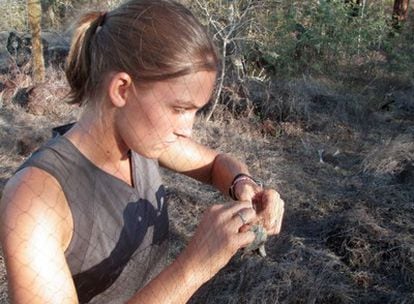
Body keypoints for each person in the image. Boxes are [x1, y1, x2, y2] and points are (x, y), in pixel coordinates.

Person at [0, 0, 285, 303]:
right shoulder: (35, 199)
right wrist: (194, 267)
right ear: (122, 89)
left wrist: (244, 185)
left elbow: (216, 164)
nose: (187, 130)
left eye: (194, 111)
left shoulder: (142, 142)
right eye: (178, 109)